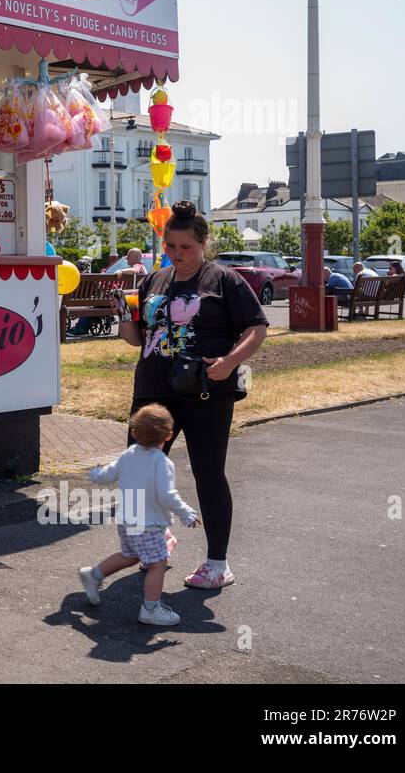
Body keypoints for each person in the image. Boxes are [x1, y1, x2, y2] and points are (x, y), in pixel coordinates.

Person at [114, 200, 268, 589]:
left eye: (187, 248)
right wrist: (122, 318)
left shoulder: (223, 280)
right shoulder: (154, 280)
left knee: (207, 473)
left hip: (205, 391)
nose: (178, 255)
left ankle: (217, 563)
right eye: (171, 247)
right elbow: (138, 339)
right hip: (152, 391)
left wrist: (230, 362)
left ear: (203, 245)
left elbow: (256, 329)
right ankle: (155, 539)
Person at [78, 403, 200, 626]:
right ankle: (151, 609)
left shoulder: (129, 454)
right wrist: (186, 513)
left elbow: (107, 474)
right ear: (169, 435)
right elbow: (166, 495)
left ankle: (93, 575)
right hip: (148, 524)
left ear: (134, 433)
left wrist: (95, 474)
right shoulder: (162, 462)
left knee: (130, 556)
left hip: (126, 521)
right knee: (157, 564)